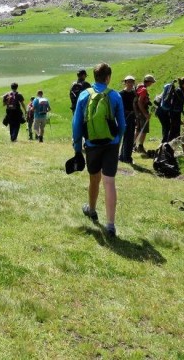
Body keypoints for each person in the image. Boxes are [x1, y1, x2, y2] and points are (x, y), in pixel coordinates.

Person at [71, 62, 126, 237]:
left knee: (94, 178)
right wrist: (117, 139)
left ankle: (92, 210)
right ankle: (110, 225)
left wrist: (77, 148)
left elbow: (76, 125)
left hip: (92, 145)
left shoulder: (84, 95)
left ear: (94, 77)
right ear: (108, 77)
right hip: (111, 144)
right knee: (109, 181)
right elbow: (122, 125)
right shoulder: (115, 96)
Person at [156, 77, 184, 143]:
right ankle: (171, 142)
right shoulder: (179, 90)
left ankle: (173, 141)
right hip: (174, 112)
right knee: (174, 128)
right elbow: (179, 100)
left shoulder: (182, 89)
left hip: (177, 111)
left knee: (175, 127)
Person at [134, 74, 156, 154]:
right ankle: (140, 146)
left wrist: (148, 102)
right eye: (151, 82)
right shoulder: (143, 89)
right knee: (144, 130)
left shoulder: (139, 87)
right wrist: (145, 114)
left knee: (138, 129)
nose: (152, 84)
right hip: (142, 112)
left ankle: (133, 145)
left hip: (137, 112)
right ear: (149, 82)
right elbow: (140, 102)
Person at [118, 76, 137, 164]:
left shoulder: (134, 93)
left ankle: (125, 156)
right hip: (124, 117)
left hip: (132, 117)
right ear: (125, 83)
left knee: (129, 138)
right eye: (128, 82)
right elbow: (119, 107)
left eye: (131, 82)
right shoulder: (121, 93)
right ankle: (125, 157)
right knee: (126, 137)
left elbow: (135, 105)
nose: (130, 84)